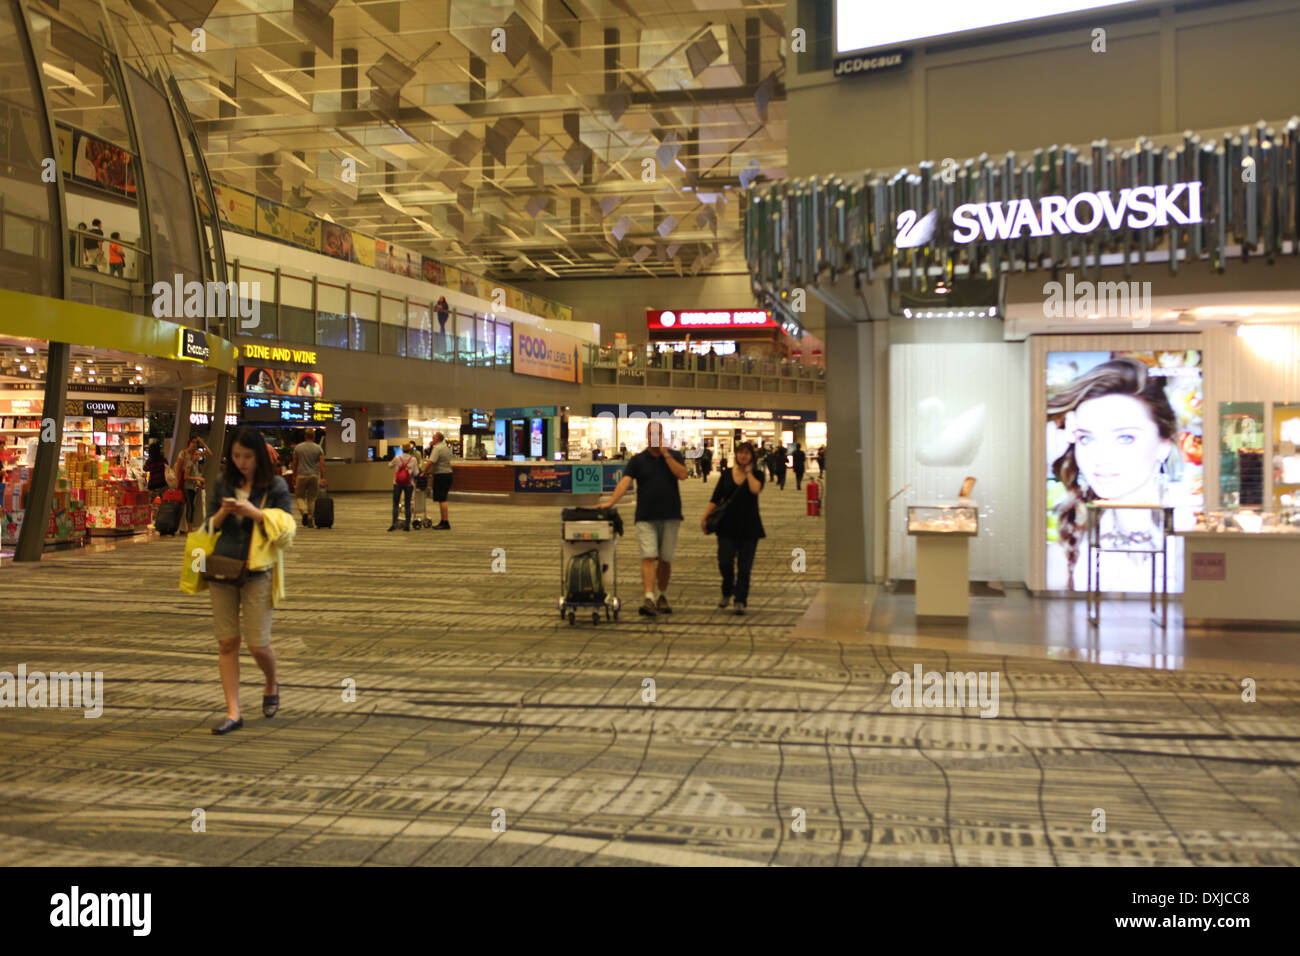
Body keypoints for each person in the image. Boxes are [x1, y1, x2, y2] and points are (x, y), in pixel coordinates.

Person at [1048, 357, 1184, 591]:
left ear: (1164, 444)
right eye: (1086, 438)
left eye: (1125, 438)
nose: (1101, 456)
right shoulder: (1071, 545)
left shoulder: (1188, 532)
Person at [204, 428, 295, 735]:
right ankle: (233, 711)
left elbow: (286, 532)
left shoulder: (276, 486)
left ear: (259, 456)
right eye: (236, 456)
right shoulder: (222, 483)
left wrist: (255, 513)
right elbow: (205, 529)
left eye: (248, 456)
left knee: (258, 645)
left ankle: (271, 681)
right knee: (227, 642)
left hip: (258, 571)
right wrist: (221, 514)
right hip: (222, 568)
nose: (241, 462)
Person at [598, 420, 687, 618]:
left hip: (671, 515)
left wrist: (665, 454)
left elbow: (682, 475)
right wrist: (611, 502)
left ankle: (662, 595)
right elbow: (625, 482)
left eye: (658, 434)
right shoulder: (638, 460)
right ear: (647, 437)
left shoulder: (675, 456)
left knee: (665, 558)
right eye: (651, 434)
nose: (654, 438)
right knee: (648, 556)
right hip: (645, 516)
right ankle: (649, 598)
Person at [701, 440, 765, 615]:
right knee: (724, 562)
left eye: (747, 453)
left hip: (749, 527)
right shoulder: (727, 474)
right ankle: (727, 589)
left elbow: (755, 489)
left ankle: (740, 599)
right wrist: (706, 517)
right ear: (736, 455)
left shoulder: (758, 474)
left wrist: (749, 473)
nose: (743, 455)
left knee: (745, 567)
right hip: (727, 526)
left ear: (752, 456)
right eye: (740, 452)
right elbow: (716, 498)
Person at [175, 436, 210, 532]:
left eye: (196, 443)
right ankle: (185, 527)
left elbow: (209, 453)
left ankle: (185, 527)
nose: (194, 444)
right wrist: (178, 482)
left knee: (189, 506)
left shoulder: (195, 459)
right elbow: (178, 468)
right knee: (188, 505)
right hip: (184, 482)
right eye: (193, 442)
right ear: (189, 443)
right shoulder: (184, 454)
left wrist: (202, 442)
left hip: (192, 484)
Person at [291, 430, 325, 527]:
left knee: (299, 497)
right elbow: (322, 464)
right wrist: (323, 477)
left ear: (305, 436)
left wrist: (294, 476)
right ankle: (310, 518)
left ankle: (304, 512)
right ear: (314, 436)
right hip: (314, 475)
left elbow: (295, 463)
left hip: (301, 475)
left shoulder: (298, 448)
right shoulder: (318, 448)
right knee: (312, 498)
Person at [425, 431, 454, 529]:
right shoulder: (446, 447)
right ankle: (444, 520)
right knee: (443, 498)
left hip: (441, 475)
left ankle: (445, 521)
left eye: (433, 438)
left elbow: (430, 462)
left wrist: (424, 472)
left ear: (437, 439)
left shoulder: (437, 448)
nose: (432, 440)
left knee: (442, 499)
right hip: (448, 474)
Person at [388, 442, 419, 531]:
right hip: (409, 484)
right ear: (410, 450)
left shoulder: (397, 458)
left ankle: (394, 524)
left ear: (402, 449)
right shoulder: (413, 459)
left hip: (397, 483)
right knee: (408, 504)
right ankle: (407, 525)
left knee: (395, 504)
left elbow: (389, 465)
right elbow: (416, 473)